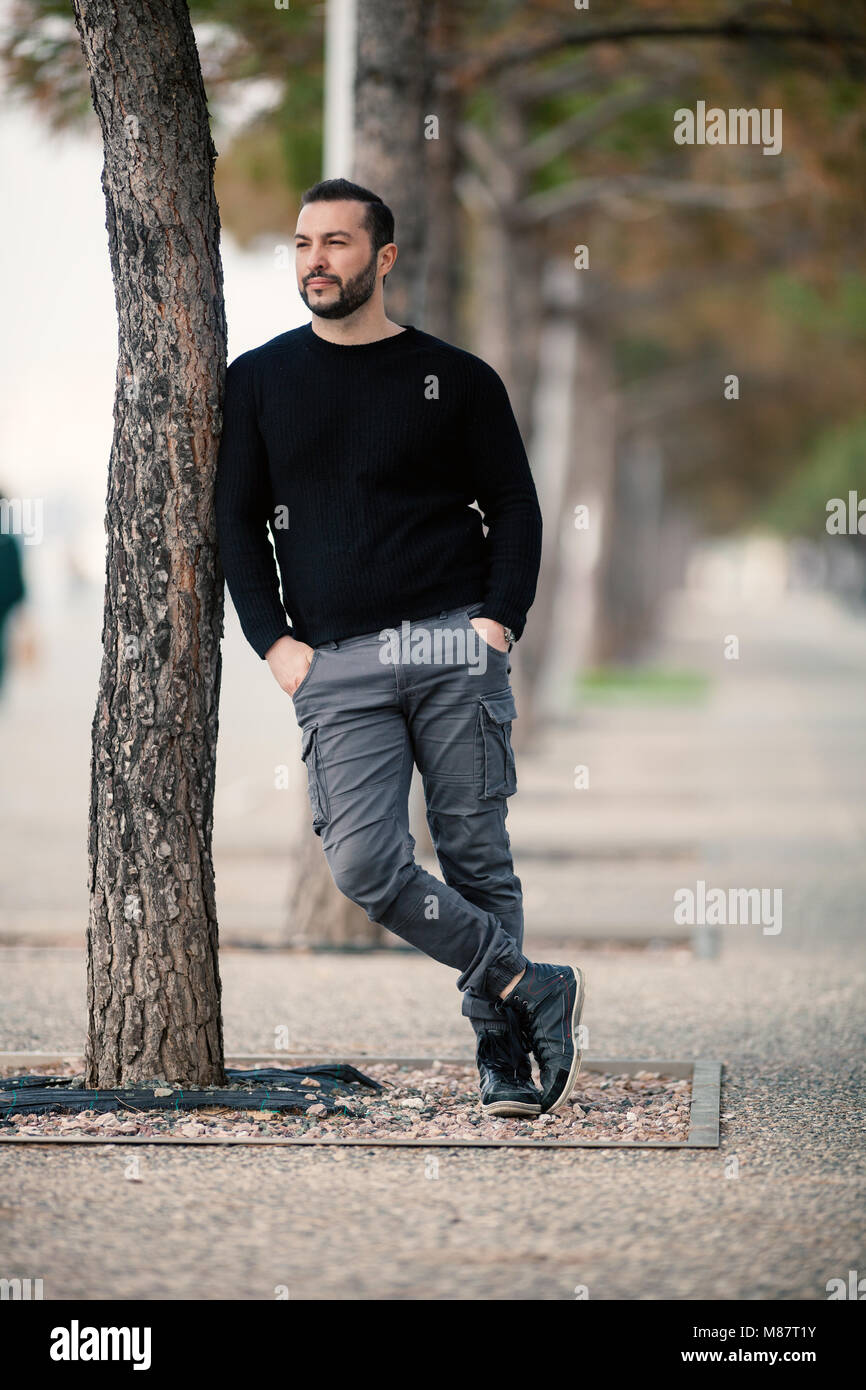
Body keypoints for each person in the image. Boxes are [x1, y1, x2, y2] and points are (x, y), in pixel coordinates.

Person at [215, 178, 585, 1116]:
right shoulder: (258, 380)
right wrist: (276, 646)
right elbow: (236, 524)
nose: (315, 261)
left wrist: (497, 622)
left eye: (337, 243)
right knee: (368, 867)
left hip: (452, 644)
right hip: (334, 661)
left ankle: (503, 1056)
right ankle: (530, 983)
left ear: (381, 259)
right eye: (303, 243)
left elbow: (514, 506)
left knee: (475, 853)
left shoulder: (456, 379)